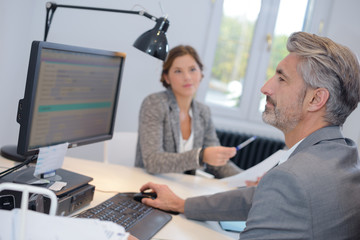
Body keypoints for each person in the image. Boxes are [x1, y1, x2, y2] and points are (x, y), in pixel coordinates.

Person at [137, 32, 360, 239]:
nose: (265, 88)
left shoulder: (292, 178)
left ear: (315, 99)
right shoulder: (343, 157)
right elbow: (253, 198)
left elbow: (281, 186)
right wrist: (182, 204)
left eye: (282, 79)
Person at [135, 45, 242, 178]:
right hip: (148, 185)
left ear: (201, 74)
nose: (187, 77)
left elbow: (217, 162)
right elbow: (153, 161)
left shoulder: (203, 112)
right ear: (166, 77)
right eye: (178, 71)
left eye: (192, 69)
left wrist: (248, 178)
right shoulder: (155, 103)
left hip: (183, 188)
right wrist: (200, 156)